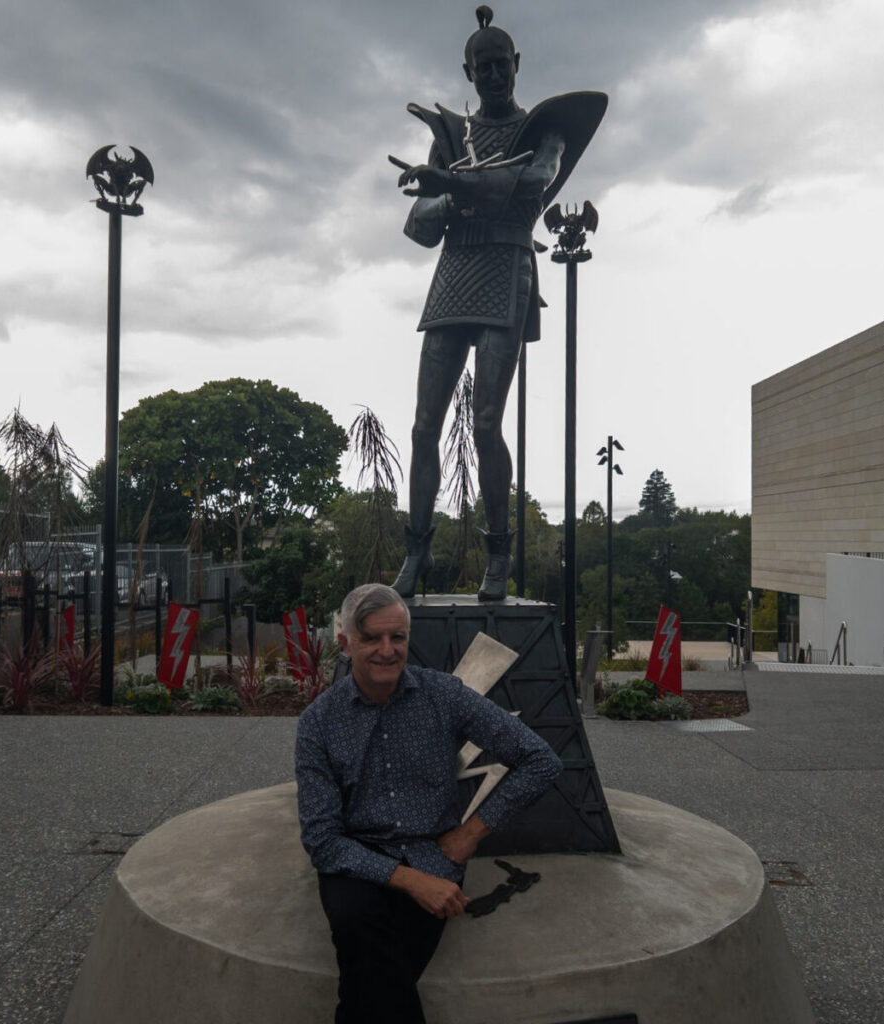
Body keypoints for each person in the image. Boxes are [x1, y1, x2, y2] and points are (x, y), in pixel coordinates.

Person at [390, 6, 605, 602]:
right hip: (454, 276)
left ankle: (497, 552)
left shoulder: (542, 130)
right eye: (481, 66)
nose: (492, 74)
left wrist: (453, 189)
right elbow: (418, 225)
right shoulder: (451, 139)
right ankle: (417, 551)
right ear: (467, 71)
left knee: (486, 423)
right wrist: (455, 197)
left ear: (517, 64)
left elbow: (533, 182)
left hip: (506, 271)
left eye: (500, 64)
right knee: (424, 425)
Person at [295, 583, 561, 1023]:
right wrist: (412, 882)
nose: (387, 650)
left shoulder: (445, 696)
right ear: (344, 643)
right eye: (371, 638)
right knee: (362, 936)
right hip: (354, 860)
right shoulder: (319, 724)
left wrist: (471, 834)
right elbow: (322, 840)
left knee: (369, 978)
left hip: (433, 854)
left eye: (397, 637)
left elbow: (540, 760)